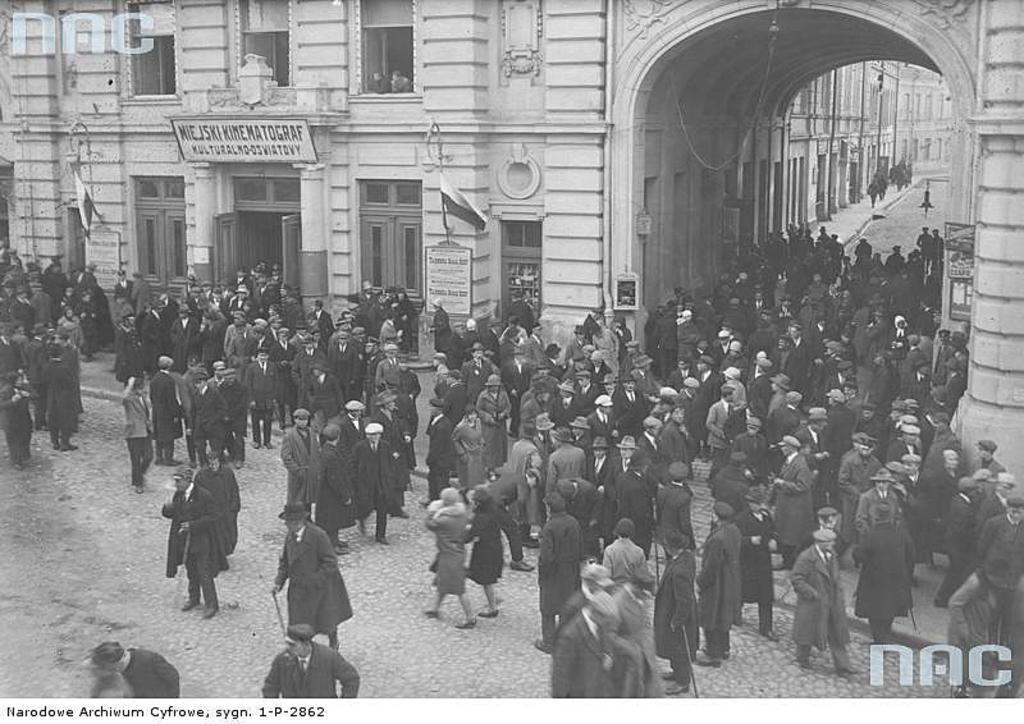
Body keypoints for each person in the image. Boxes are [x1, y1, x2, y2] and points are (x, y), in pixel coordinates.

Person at [272, 503, 353, 650]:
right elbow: (285, 562)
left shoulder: (318, 536)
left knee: (325, 621)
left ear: (299, 522)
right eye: (286, 522)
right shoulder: (290, 536)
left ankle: (333, 641)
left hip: (318, 589)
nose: (286, 525)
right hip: (298, 591)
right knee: (299, 623)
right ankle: (304, 650)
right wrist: (278, 582)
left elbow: (331, 562)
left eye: (289, 522)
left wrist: (315, 580)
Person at [162, 467, 225, 619]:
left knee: (204, 572)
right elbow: (170, 514)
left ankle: (212, 605)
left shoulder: (203, 495)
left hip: (201, 541)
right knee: (191, 571)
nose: (176, 484)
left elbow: (214, 516)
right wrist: (167, 505)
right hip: (185, 541)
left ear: (187, 481)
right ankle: (194, 598)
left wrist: (193, 525)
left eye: (178, 481)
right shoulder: (178, 495)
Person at [790, 528, 855, 675]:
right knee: (807, 633)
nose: (833, 544)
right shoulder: (806, 557)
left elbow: (835, 576)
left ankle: (843, 666)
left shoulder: (832, 555)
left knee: (836, 634)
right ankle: (802, 658)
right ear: (821, 543)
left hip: (832, 602)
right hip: (813, 603)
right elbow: (796, 578)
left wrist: (839, 594)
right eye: (830, 542)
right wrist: (811, 593)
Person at [852, 504, 915, 644]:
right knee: (890, 610)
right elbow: (911, 555)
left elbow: (860, 555)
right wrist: (906, 573)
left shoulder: (871, 534)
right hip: (896, 579)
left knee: (874, 613)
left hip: (874, 581)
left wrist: (857, 557)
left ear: (876, 516)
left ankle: (880, 641)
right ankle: (884, 636)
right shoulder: (901, 533)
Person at [536, 492, 583, 654]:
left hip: (553, 573)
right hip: (571, 571)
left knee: (548, 608)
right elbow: (580, 548)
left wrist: (542, 574)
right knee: (567, 606)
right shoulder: (573, 522)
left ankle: (549, 642)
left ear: (549, 508)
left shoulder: (549, 527)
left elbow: (546, 557)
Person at [696, 502, 742, 667]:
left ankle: (713, 654)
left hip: (717, 584)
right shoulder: (734, 530)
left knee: (711, 616)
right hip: (729, 580)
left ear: (716, 516)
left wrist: (700, 582)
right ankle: (724, 648)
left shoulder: (717, 539)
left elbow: (711, 567)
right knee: (723, 615)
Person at [550, 590, 621, 698]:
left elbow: (604, 643)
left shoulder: (601, 623)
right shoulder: (570, 635)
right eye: (606, 621)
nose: (608, 624)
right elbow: (560, 674)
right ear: (596, 614)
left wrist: (607, 655)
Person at [262, 624, 360, 698]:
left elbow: (351, 679)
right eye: (287, 643)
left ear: (306, 645)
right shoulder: (282, 660)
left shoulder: (329, 657)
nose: (287, 648)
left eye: (292, 645)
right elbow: (270, 687)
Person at [653, 530, 697, 696]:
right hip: (670, 609)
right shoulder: (685, 557)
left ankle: (683, 681)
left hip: (675, 614)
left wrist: (677, 620)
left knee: (680, 649)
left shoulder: (680, 571)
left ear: (672, 548)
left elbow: (684, 600)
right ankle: (676, 673)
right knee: (672, 646)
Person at [424, 487, 476, 628]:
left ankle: (470, 618)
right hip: (456, 552)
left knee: (459, 589)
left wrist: (432, 511)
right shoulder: (462, 514)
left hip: (449, 555)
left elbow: (429, 524)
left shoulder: (444, 519)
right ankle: (434, 608)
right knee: (443, 582)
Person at [735, 486, 778, 640]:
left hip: (764, 562)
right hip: (748, 562)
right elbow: (736, 540)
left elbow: (773, 531)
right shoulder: (741, 519)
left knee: (766, 596)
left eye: (761, 503)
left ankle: (766, 628)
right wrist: (749, 541)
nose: (759, 506)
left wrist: (773, 540)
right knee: (742, 591)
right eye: (755, 503)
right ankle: (735, 615)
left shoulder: (766, 517)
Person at [353, 421, 400, 544]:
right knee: (365, 506)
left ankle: (380, 535)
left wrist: (390, 478)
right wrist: (356, 481)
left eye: (375, 435)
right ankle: (362, 519)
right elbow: (353, 464)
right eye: (370, 435)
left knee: (382, 509)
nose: (373, 437)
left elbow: (391, 463)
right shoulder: (360, 447)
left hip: (381, 483)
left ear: (380, 435)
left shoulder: (385, 446)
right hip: (365, 483)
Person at [772, 435, 815, 568]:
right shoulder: (790, 461)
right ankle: (788, 561)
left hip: (795, 507)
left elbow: (803, 486)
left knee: (791, 535)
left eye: (783, 446)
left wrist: (782, 483)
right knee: (786, 533)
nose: (782, 449)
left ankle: (790, 563)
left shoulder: (800, 465)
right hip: (788, 504)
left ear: (791, 448)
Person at [316, 424, 356, 554]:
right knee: (332, 520)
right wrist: (344, 495)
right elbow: (335, 479)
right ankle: (332, 545)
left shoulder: (327, 450)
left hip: (327, 492)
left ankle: (335, 541)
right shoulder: (331, 455)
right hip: (331, 494)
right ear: (338, 437)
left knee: (334, 519)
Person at [88, 641, 180, 698]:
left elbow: (173, 676)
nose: (103, 668)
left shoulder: (149, 659)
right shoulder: (115, 673)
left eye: (104, 666)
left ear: (116, 664)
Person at [466, 485, 503, 618]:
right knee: (488, 578)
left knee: (485, 580)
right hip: (495, 546)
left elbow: (470, 535)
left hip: (485, 551)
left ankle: (492, 607)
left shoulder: (481, 517)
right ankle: (494, 599)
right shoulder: (493, 510)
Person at [280, 408, 322, 509]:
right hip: (298, 473)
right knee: (297, 500)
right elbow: (286, 457)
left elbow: (317, 451)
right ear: (295, 420)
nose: (302, 422)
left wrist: (317, 468)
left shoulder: (312, 433)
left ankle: (308, 516)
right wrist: (296, 470)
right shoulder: (289, 436)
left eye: (305, 419)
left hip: (311, 473)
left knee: (309, 500)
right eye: (300, 419)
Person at [123, 376, 154, 493]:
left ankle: (139, 475)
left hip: (146, 431)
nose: (145, 390)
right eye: (142, 388)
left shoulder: (144, 398)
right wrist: (129, 385)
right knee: (136, 459)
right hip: (134, 433)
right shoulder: (130, 399)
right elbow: (124, 398)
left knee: (148, 456)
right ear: (136, 389)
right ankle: (138, 483)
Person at [150, 356, 183, 465]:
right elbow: (171, 399)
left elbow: (151, 396)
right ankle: (168, 458)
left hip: (157, 410)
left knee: (159, 435)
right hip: (167, 412)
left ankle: (159, 458)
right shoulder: (169, 381)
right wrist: (176, 413)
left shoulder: (154, 378)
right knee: (169, 436)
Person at [191, 370, 226, 468]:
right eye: (195, 383)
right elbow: (193, 411)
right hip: (199, 424)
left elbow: (222, 408)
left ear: (205, 382)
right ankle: (204, 464)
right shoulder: (195, 394)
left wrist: (214, 419)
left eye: (199, 382)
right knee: (200, 446)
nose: (197, 385)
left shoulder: (214, 393)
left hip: (213, 424)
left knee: (215, 446)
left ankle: (217, 464)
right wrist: (191, 425)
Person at [477, 374, 511, 472]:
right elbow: (479, 410)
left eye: (497, 386)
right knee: (489, 447)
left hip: (500, 425)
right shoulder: (483, 396)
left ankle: (494, 468)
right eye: (493, 386)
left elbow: (508, 406)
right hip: (489, 427)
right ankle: (489, 468)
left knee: (498, 448)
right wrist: (488, 418)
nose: (495, 388)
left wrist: (504, 413)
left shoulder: (503, 394)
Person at [425, 398, 455, 503]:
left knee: (439, 483)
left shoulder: (442, 426)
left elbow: (437, 446)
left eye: (432, 407)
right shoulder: (442, 421)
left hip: (440, 460)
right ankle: (434, 499)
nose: (430, 409)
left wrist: (430, 459)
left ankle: (439, 501)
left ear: (438, 409)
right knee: (434, 480)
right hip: (441, 460)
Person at [246, 346, 277, 449]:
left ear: (268, 356)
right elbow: (248, 384)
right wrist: (251, 399)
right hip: (256, 398)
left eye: (265, 355)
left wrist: (273, 398)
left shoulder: (272, 366)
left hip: (268, 398)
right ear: (257, 356)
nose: (263, 358)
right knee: (255, 421)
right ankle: (256, 441)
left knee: (268, 420)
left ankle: (267, 441)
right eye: (261, 355)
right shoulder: (251, 367)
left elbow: (276, 383)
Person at [602, 518, 648, 584]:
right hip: (632, 588)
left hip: (615, 587)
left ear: (617, 532)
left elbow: (606, 575)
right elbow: (643, 575)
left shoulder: (609, 550)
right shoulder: (639, 551)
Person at [452, 404, 486, 492]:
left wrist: (482, 441)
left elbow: (479, 434)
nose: (473, 417)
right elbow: (454, 439)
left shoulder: (478, 422)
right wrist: (461, 453)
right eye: (470, 414)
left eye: (474, 414)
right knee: (469, 480)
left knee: (479, 478)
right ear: (466, 415)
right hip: (468, 455)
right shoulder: (461, 427)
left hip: (478, 455)